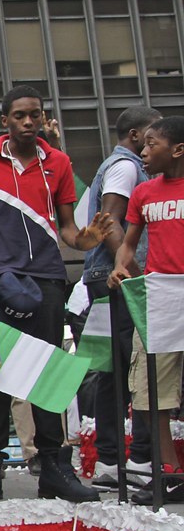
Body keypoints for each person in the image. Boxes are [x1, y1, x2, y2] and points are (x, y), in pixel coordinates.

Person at [0, 84, 113, 505]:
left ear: (42, 118)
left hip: (47, 278)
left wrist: (85, 241)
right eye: (20, 116)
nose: (29, 122)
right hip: (1, 280)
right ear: (5, 121)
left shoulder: (59, 163)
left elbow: (67, 227)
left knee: (48, 374)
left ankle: (54, 469)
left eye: (35, 114)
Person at [81, 106, 162, 488]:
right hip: (119, 278)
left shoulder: (119, 165)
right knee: (131, 367)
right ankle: (125, 460)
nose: (150, 147)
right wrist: (127, 271)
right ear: (134, 136)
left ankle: (112, 462)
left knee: (114, 368)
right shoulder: (127, 168)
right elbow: (109, 220)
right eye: (148, 137)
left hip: (107, 275)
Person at [108, 116, 184, 504]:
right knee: (153, 389)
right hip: (160, 298)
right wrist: (122, 266)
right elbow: (128, 242)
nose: (143, 151)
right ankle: (169, 474)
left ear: (177, 149)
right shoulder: (144, 193)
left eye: (152, 144)